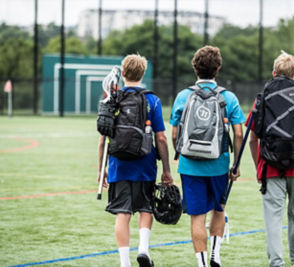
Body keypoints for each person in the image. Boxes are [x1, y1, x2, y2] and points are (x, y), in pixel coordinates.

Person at [246, 51, 294, 267]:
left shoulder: (261, 98)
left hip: (269, 166)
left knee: (273, 219)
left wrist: (257, 168)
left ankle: (277, 263)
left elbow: (253, 139)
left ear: (273, 73)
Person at [170, 45, 245, 267]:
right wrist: (236, 163)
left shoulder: (183, 96)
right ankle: (215, 255)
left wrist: (181, 153)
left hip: (189, 166)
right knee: (219, 209)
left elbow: (174, 133)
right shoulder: (228, 97)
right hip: (219, 165)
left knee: (197, 217)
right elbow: (238, 132)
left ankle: (202, 264)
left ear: (195, 68)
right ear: (218, 68)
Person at [97, 54, 173, 267]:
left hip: (118, 165)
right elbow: (161, 137)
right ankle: (143, 249)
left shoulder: (112, 99)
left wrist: (100, 169)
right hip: (145, 164)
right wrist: (166, 169)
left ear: (123, 73)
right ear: (143, 73)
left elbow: (103, 138)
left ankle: (124, 262)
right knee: (145, 208)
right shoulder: (152, 100)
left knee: (122, 212)